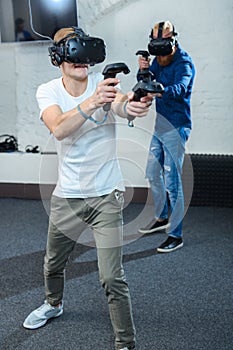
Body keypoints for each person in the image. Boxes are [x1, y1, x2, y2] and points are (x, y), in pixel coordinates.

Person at [22, 26, 153, 350]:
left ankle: (125, 342)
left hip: (107, 196)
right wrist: (93, 102)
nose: (81, 58)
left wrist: (134, 105)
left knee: (111, 276)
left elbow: (122, 104)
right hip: (67, 197)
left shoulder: (102, 83)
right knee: (53, 264)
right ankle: (53, 304)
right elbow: (59, 128)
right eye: (72, 49)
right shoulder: (48, 90)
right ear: (58, 57)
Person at [138, 21, 195, 253]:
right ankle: (162, 218)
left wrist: (160, 90)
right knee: (152, 172)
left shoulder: (184, 62)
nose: (159, 53)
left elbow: (180, 88)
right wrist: (143, 69)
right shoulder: (158, 58)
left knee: (172, 181)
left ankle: (176, 235)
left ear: (173, 40)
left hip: (178, 127)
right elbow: (148, 79)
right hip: (160, 125)